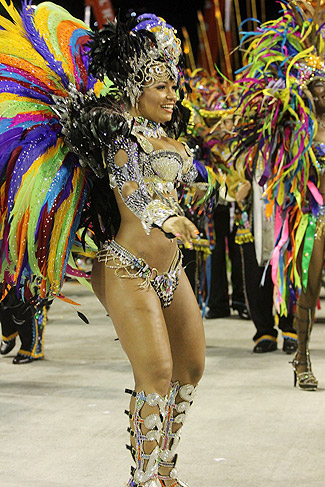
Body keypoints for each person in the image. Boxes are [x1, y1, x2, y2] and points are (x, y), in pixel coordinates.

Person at [0, 3, 206, 486]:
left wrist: (204, 192)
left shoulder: (166, 133)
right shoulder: (113, 129)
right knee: (156, 374)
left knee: (191, 369)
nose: (173, 94)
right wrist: (167, 215)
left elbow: (176, 185)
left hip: (170, 270)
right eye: (162, 85)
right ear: (135, 85)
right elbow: (131, 189)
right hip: (127, 266)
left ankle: (165, 471)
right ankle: (144, 478)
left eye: (175, 84)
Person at [232, 0, 325, 389]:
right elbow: (271, 164)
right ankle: (301, 357)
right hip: (311, 218)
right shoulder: (295, 131)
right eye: (317, 88)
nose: (323, 94)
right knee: (308, 288)